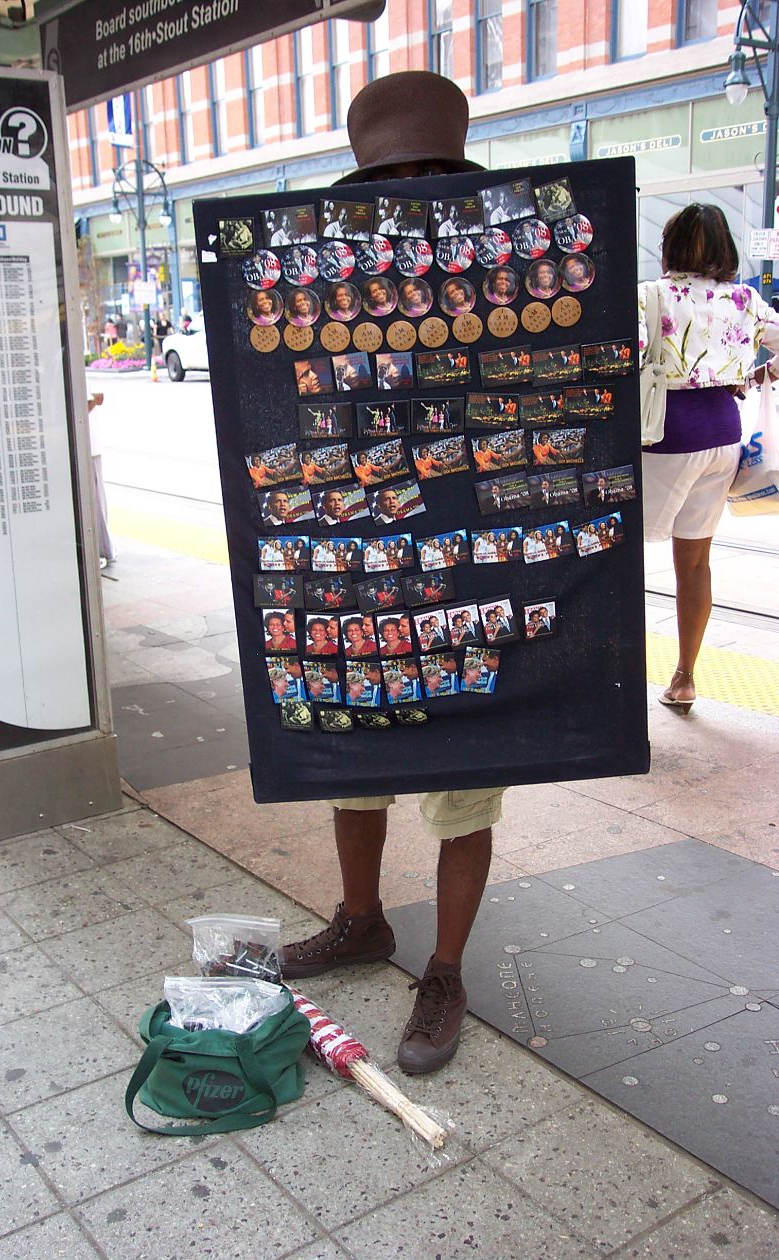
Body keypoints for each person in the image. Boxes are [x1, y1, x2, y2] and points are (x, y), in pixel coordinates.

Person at [278, 70, 499, 1077]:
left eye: (431, 173)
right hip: (364, 558)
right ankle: (362, 920)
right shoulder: (330, 286)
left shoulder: (500, 276)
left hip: (470, 567)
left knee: (468, 784)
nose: (412, 193)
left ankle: (444, 971)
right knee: (354, 752)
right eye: (391, 179)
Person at [639, 203, 779, 713]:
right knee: (695, 563)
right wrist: (761, 372)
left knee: (621, 555)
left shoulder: (651, 296)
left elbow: (624, 360)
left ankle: (614, 677)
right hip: (724, 433)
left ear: (669, 246)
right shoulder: (745, 299)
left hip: (665, 434)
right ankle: (684, 678)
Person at [87, 392, 115, 570]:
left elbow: (95, 399)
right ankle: (101, 550)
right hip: (86, 444)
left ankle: (102, 550)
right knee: (95, 501)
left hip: (88, 444)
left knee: (95, 501)